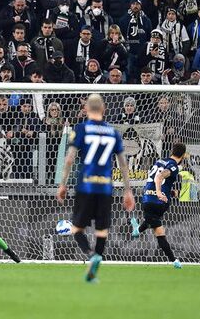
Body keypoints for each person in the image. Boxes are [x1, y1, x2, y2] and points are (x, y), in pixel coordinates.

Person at [56, 94, 135, 282]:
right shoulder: (113, 132)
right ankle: (95, 267)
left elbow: (69, 158)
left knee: (76, 228)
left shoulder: (81, 129)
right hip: (106, 187)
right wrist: (127, 190)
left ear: (86, 110)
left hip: (86, 185)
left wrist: (62, 183)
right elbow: (123, 163)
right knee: (101, 230)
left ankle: (91, 255)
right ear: (104, 109)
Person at [130, 143, 187, 269]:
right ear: (183, 155)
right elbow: (159, 177)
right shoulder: (173, 166)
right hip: (158, 202)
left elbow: (154, 177)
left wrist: (169, 192)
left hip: (147, 199)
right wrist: (159, 193)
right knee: (159, 231)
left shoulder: (159, 161)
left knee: (156, 227)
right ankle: (174, 261)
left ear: (172, 151)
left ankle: (137, 230)